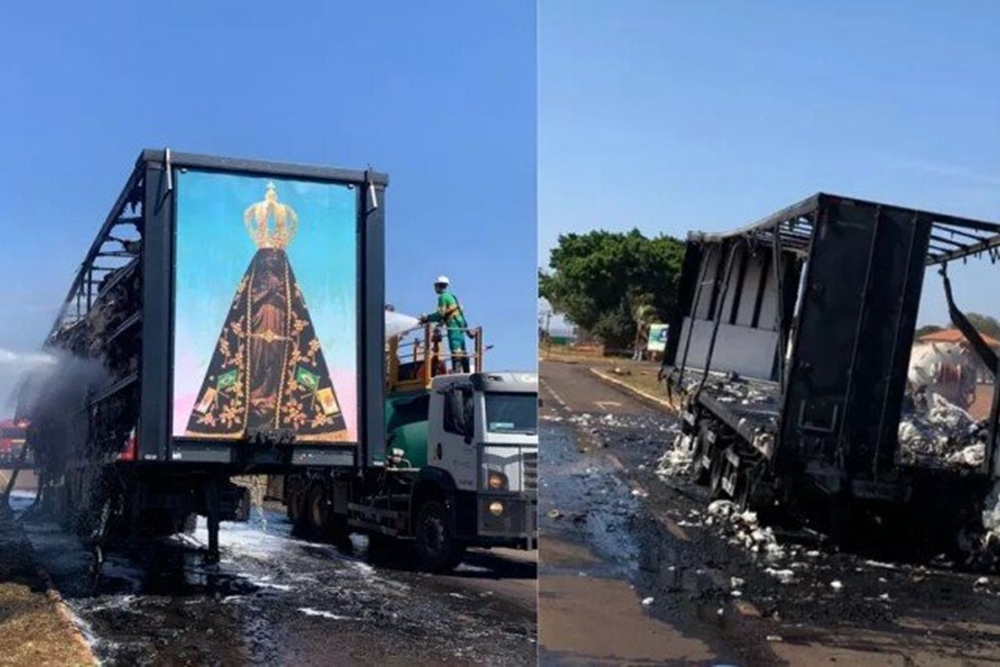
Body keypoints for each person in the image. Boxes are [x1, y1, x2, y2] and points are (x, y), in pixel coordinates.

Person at [419, 275, 470, 373]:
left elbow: (440, 314)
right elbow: (446, 314)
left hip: (453, 324)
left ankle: (456, 371)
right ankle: (466, 372)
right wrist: (441, 323)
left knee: (455, 347)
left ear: (438, 286)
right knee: (462, 348)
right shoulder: (451, 296)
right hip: (460, 324)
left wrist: (426, 318)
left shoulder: (442, 297)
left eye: (435, 286)